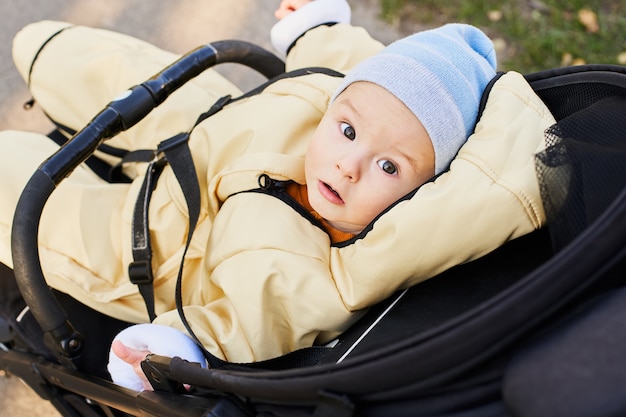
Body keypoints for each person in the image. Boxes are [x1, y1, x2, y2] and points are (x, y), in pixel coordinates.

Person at [0, 0, 553, 391]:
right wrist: (316, 22)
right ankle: (50, 54)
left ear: (423, 191)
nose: (348, 165)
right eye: (348, 131)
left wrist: (178, 350)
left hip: (158, 247)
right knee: (59, 51)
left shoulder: (328, 270)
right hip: (212, 133)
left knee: (18, 182)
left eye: (389, 166)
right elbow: (347, 62)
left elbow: (249, 324)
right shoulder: (338, 105)